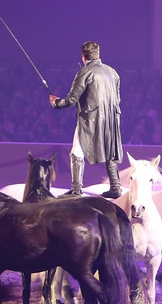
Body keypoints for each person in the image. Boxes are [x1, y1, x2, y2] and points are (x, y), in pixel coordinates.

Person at [49, 41, 123, 198]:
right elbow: (117, 99)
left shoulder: (85, 72)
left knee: (77, 151)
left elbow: (71, 100)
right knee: (110, 151)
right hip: (111, 119)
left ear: (83, 57)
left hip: (91, 119)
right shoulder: (113, 72)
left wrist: (56, 102)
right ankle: (115, 187)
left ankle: (76, 189)